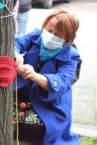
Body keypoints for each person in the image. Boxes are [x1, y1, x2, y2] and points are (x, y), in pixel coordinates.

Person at [13, 10, 80, 145]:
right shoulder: (36, 35)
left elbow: (62, 82)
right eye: (49, 30)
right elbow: (17, 42)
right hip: (21, 97)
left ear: (67, 39)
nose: (51, 36)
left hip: (49, 104)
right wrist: (16, 55)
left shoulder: (72, 56)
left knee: (38, 127)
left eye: (57, 35)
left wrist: (35, 76)